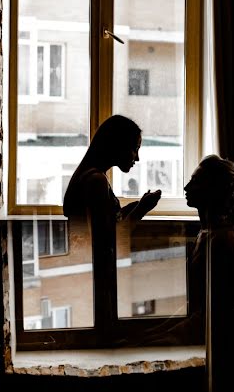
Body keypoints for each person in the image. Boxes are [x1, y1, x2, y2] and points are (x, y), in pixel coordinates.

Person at [63, 115, 162, 303]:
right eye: (135, 149)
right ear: (119, 145)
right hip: (97, 276)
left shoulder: (90, 176)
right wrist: (141, 210)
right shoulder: (96, 181)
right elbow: (110, 240)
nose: (138, 158)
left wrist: (135, 207)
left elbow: (104, 223)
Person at [183, 154, 234, 392]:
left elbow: (212, 312)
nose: (186, 188)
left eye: (195, 183)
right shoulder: (206, 233)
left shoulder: (222, 240)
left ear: (212, 190)